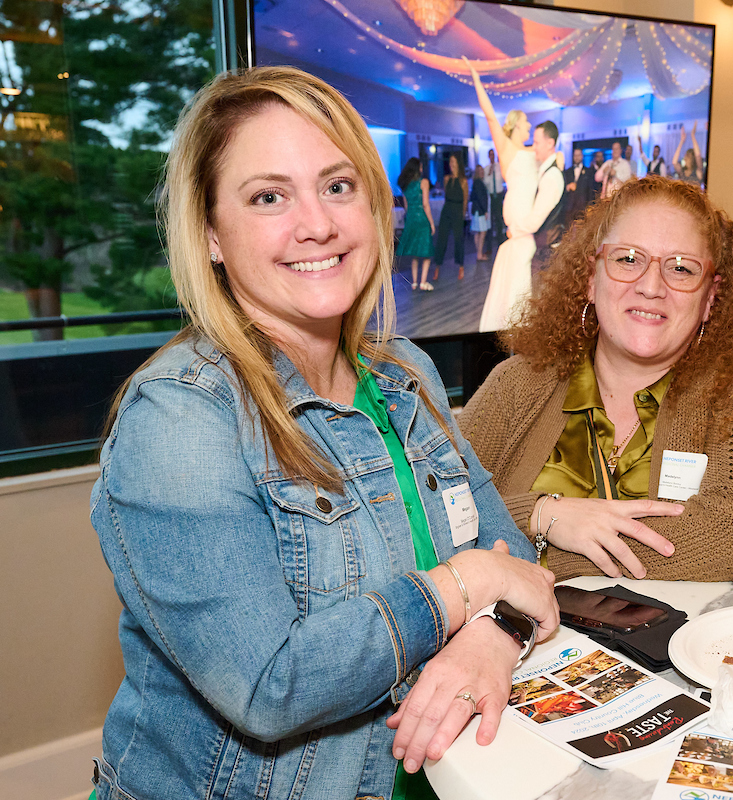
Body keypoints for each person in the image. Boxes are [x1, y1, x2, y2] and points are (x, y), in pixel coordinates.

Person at [88, 66, 557, 800]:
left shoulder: (406, 373)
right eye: (268, 197)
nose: (318, 224)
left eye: (338, 186)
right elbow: (271, 687)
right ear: (210, 235)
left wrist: (493, 637)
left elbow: (516, 562)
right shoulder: (180, 418)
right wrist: (468, 584)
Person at [459, 176, 733, 582]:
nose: (651, 287)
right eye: (628, 259)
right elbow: (434, 516)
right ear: (590, 278)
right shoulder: (516, 385)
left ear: (709, 297)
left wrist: (532, 556)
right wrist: (543, 513)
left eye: (681, 268)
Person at [467, 59, 565, 332]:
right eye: (525, 122)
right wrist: (476, 79)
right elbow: (489, 115)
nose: (529, 126)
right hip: (517, 229)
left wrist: (559, 157)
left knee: (524, 294)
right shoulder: (506, 148)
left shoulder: (534, 152)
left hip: (529, 230)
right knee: (510, 296)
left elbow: (551, 154)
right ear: (515, 125)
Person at [396, 157, 436, 290]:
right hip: (422, 220)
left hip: (411, 219)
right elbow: (425, 204)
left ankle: (414, 282)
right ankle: (423, 282)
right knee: (426, 252)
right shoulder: (424, 182)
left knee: (415, 253)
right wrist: (431, 223)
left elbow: (406, 206)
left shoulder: (406, 185)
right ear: (418, 168)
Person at [433, 152, 468, 281]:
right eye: (450, 162)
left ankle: (461, 266)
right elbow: (446, 194)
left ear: (458, 164)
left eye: (453, 162)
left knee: (459, 239)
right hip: (447, 209)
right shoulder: (446, 179)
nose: (451, 164)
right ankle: (437, 267)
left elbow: (465, 200)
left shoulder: (463, 181)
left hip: (458, 210)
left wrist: (462, 215)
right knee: (441, 238)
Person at [564, 146, 594, 225]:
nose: (577, 157)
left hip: (582, 207)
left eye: (578, 155)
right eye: (575, 155)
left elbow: (590, 191)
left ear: (582, 156)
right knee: (568, 229)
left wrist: (590, 207)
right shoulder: (567, 172)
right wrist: (568, 187)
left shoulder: (588, 172)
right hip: (569, 208)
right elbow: (562, 189)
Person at [483, 148, 504, 259]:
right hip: (491, 196)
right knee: (490, 223)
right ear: (488, 156)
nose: (492, 156)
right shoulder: (486, 169)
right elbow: (485, 183)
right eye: (490, 155)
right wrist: (490, 173)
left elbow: (503, 179)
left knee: (500, 220)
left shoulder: (500, 167)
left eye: (493, 154)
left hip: (499, 196)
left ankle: (501, 244)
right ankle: (489, 247)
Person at [470, 163, 490, 263]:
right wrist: (485, 210)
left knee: (478, 232)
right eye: (481, 171)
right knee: (482, 231)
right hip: (480, 211)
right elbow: (481, 198)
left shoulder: (476, 183)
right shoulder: (479, 183)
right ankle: (479, 253)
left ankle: (479, 252)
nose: (482, 172)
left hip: (476, 210)